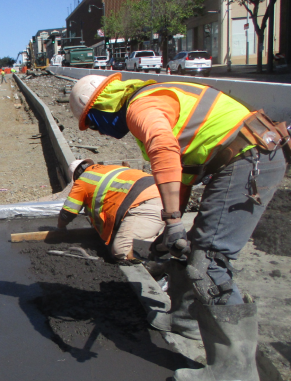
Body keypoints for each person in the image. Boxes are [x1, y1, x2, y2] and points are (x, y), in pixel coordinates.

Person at [69, 73, 289, 381]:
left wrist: (173, 220)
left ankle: (234, 371)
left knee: (210, 262)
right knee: (187, 246)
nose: (98, 132)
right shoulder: (149, 100)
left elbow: (163, 150)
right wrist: (170, 226)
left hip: (249, 158)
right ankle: (185, 320)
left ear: (99, 108)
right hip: (239, 155)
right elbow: (181, 176)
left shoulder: (139, 108)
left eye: (92, 123)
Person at [58, 159, 163, 263]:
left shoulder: (83, 181)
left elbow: (67, 213)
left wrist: (60, 228)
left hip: (147, 203)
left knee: (121, 252)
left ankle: (152, 267)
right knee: (164, 241)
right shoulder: (112, 169)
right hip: (166, 194)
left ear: (76, 175)